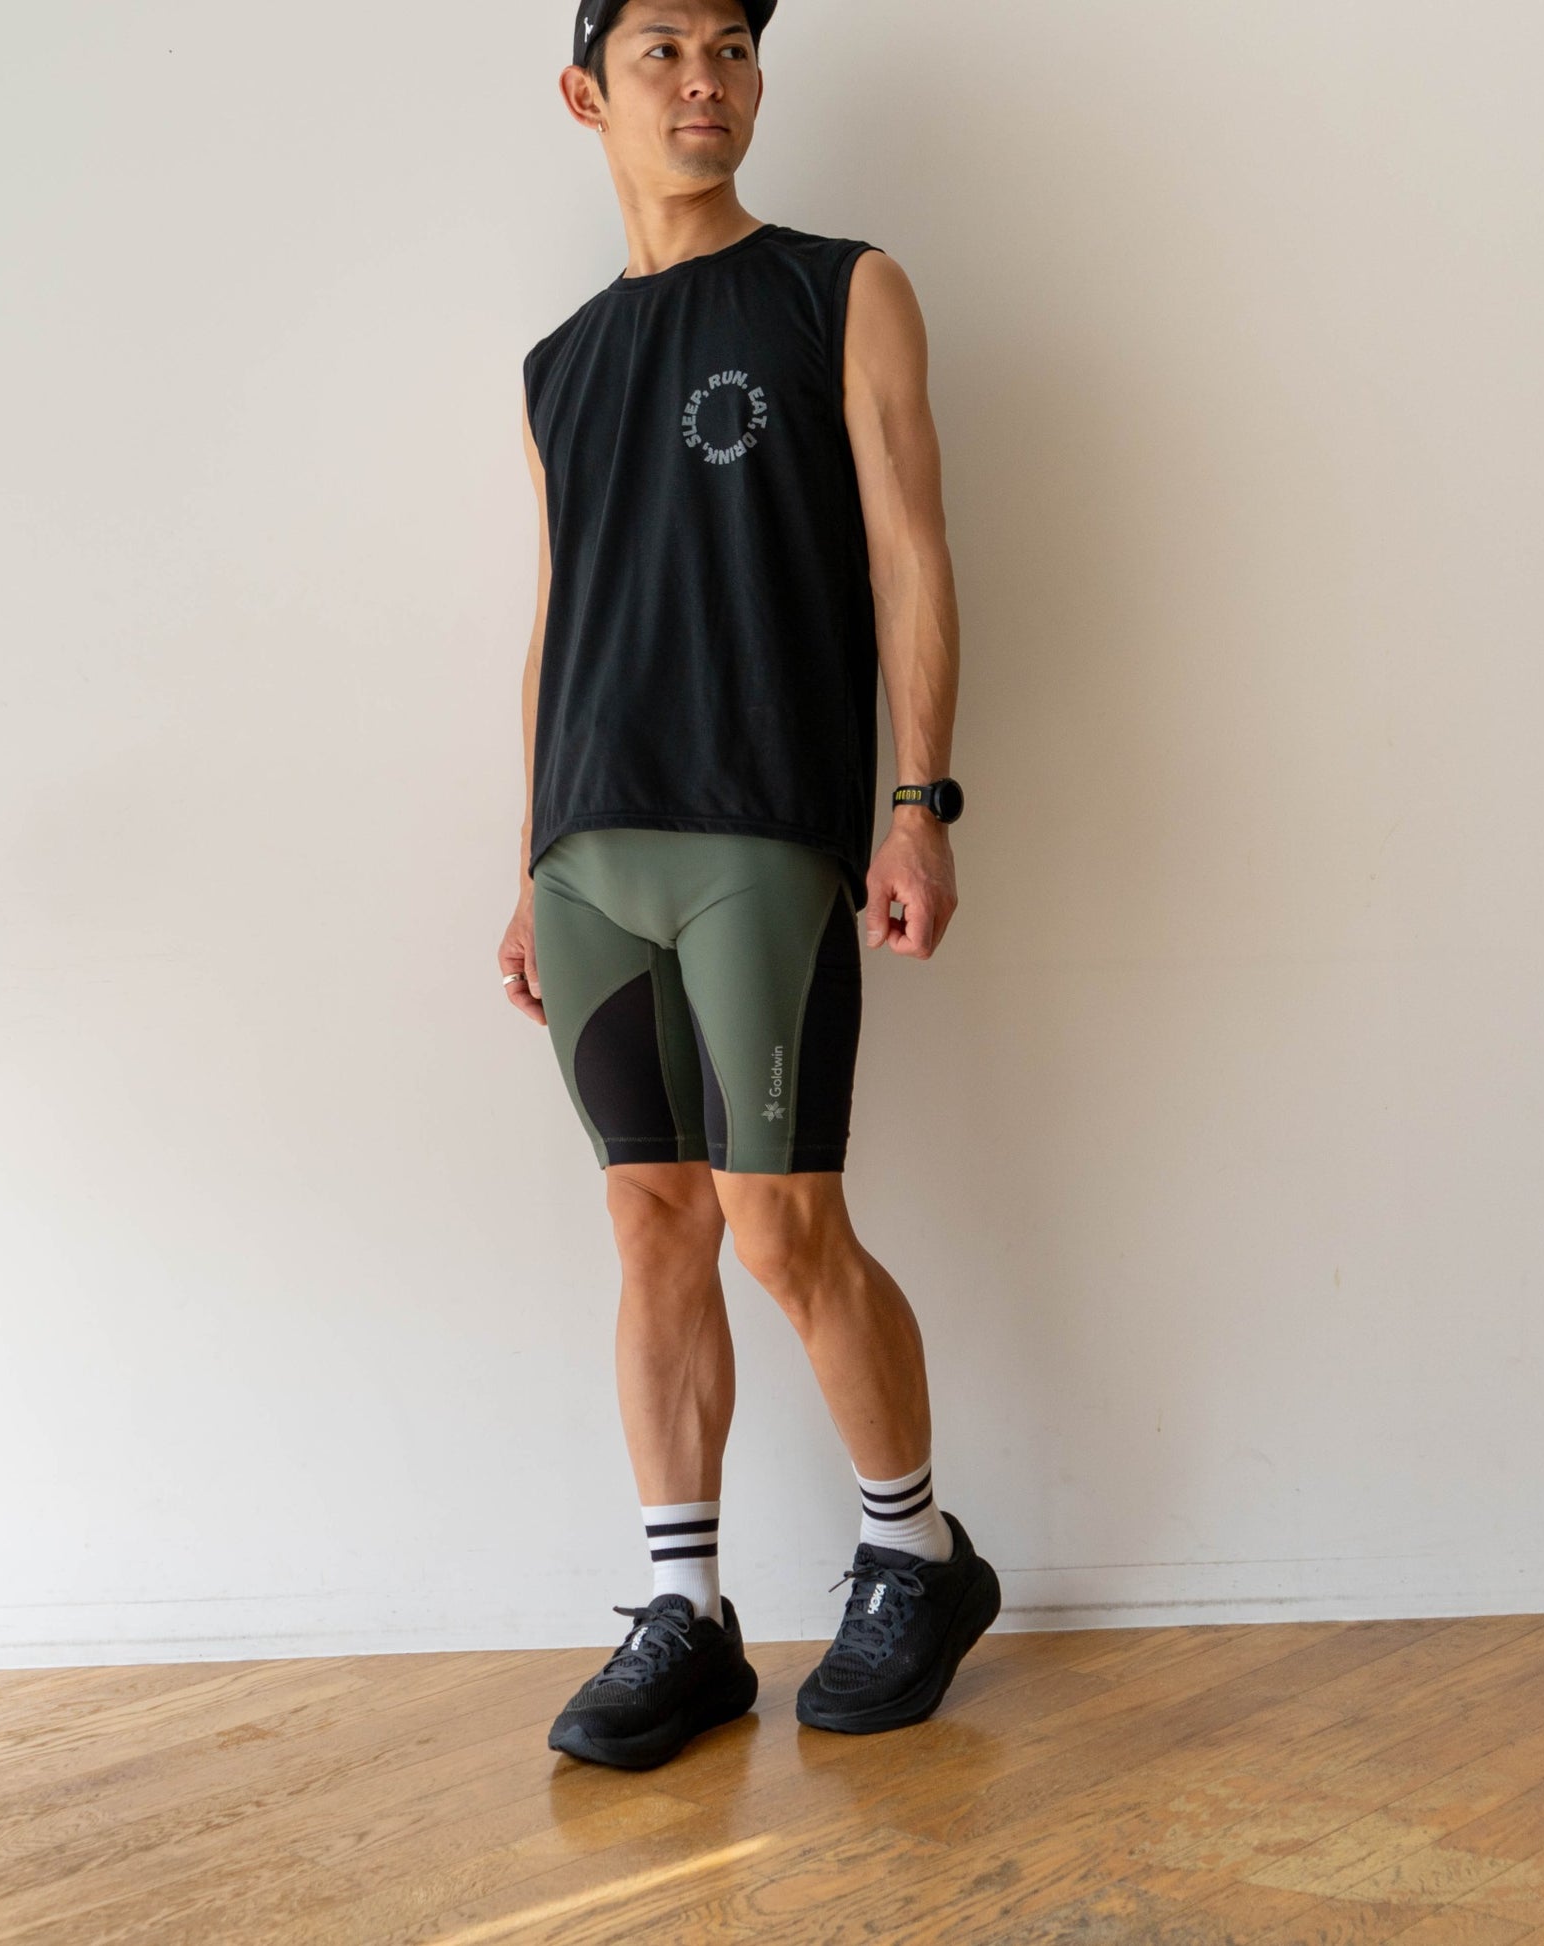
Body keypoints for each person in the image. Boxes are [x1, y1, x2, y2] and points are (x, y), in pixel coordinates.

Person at [499, 0, 999, 1772]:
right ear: (587, 92)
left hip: (761, 829)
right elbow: (561, 611)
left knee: (781, 1221)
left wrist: (918, 801)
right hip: (591, 850)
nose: (703, 80)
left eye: (730, 49)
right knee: (650, 1222)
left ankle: (913, 1553)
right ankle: (687, 1614)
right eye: (662, 52)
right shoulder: (559, 361)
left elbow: (909, 548)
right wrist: (530, 855)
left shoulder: (838, 288)